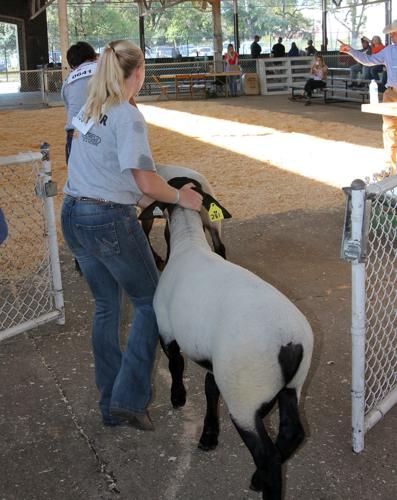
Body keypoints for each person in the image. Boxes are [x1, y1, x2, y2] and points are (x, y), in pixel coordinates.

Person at [61, 40, 203, 429]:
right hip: (106, 219)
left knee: (106, 308)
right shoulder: (127, 115)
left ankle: (110, 403)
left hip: (72, 213)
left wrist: (135, 195)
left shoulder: (91, 105)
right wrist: (180, 197)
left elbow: (91, 162)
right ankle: (128, 398)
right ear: (138, 73)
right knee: (152, 303)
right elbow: (146, 177)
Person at [340, 20, 397, 175]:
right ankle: (391, 169)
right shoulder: (388, 51)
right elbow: (368, 60)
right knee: (389, 130)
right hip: (391, 92)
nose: (392, 35)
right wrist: (351, 51)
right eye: (391, 33)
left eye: (394, 33)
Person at [61, 41, 97, 164]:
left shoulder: (68, 81)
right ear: (93, 57)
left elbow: (69, 106)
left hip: (74, 133)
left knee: (76, 176)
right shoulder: (105, 71)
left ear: (72, 64)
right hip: (101, 132)